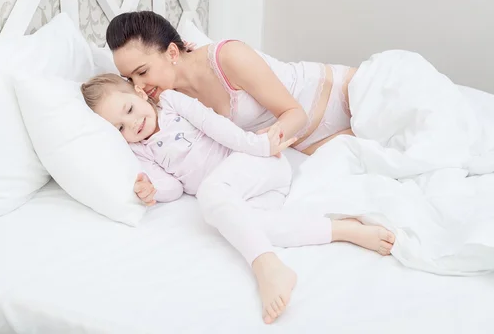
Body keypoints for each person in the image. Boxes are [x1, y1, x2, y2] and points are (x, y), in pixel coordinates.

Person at [81, 73, 396, 324]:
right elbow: (173, 187)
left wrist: (260, 146)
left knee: (210, 193)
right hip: (243, 196)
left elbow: (218, 127)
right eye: (121, 127)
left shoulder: (172, 103)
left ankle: (266, 266)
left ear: (138, 93)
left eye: (129, 110)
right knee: (258, 226)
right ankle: (345, 229)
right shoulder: (140, 149)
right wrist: (152, 190)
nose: (132, 124)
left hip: (258, 163)